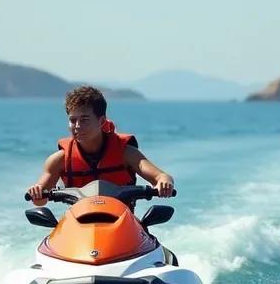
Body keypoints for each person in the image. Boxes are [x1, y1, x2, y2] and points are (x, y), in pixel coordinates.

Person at [27, 85, 176, 205]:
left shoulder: (126, 153)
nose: (77, 126)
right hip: (80, 223)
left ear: (101, 121)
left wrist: (164, 183)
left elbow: (161, 176)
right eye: (73, 120)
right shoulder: (58, 160)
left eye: (84, 119)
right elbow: (40, 201)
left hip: (120, 222)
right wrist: (37, 191)